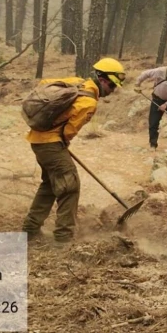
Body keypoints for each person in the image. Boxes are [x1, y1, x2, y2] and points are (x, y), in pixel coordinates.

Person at [22, 57, 126, 245]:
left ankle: (30, 229)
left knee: (50, 185)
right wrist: (62, 142)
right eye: (112, 86)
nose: (112, 91)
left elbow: (44, 84)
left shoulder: (76, 83)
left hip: (38, 139)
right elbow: (69, 131)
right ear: (103, 80)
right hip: (51, 145)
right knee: (70, 186)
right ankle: (63, 238)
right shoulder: (89, 103)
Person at [134, 58, 167, 150]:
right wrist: (137, 84)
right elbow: (145, 74)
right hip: (157, 100)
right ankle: (153, 145)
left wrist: (166, 105)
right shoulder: (161, 71)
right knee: (153, 123)